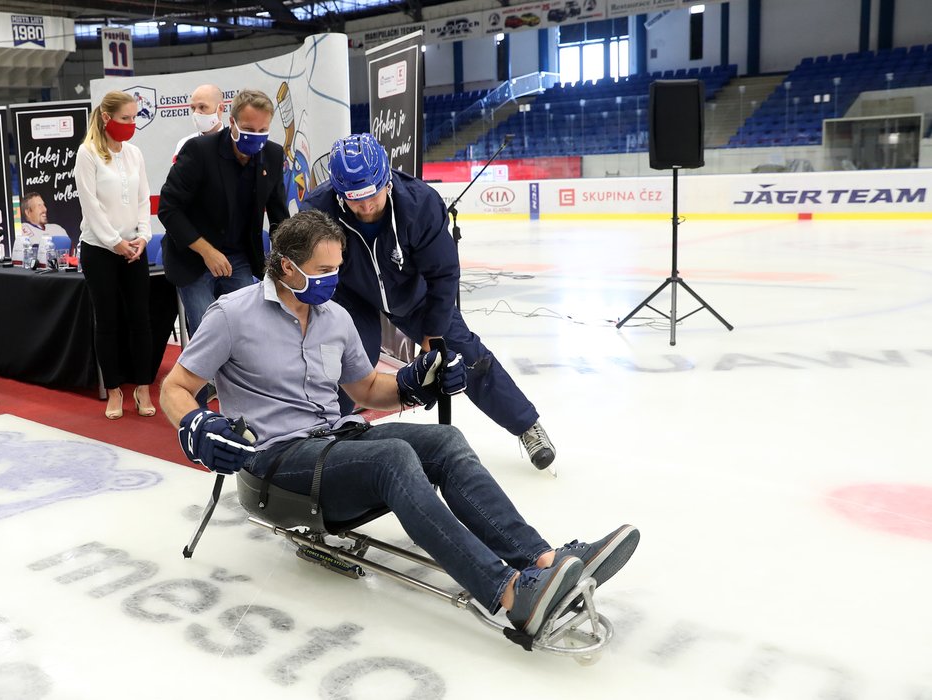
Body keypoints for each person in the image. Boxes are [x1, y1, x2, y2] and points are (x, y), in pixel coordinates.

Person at [159, 210, 639, 639]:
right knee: (392, 459)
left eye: (338, 270)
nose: (334, 279)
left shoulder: (335, 318)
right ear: (288, 266)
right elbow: (175, 388)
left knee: (445, 441)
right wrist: (196, 423)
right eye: (325, 271)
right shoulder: (232, 315)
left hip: (337, 441)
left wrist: (416, 382)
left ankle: (542, 560)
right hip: (276, 464)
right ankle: (511, 594)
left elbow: (365, 390)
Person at [300, 133, 557, 470]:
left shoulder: (420, 205)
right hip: (352, 293)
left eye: (371, 197)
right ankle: (322, 433)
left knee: (464, 353)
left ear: (386, 179)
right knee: (346, 359)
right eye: (354, 200)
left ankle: (526, 426)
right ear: (338, 192)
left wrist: (433, 330)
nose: (365, 208)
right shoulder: (318, 210)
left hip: (415, 292)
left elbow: (444, 273)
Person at [158, 88, 290, 339]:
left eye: (263, 131)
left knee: (246, 328)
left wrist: (286, 261)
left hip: (238, 257)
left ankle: (238, 378)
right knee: (208, 332)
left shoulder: (272, 155)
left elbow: (279, 217)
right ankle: (205, 379)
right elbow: (169, 208)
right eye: (249, 129)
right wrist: (207, 251)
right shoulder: (198, 151)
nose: (257, 137)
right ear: (232, 122)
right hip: (192, 257)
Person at [73, 90, 157, 420]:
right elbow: (90, 205)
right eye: (125, 118)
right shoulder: (88, 153)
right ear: (107, 118)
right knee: (107, 322)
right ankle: (114, 390)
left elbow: (141, 200)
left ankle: (142, 387)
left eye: (134, 117)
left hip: (134, 249)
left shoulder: (134, 154)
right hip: (100, 250)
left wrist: (143, 237)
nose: (131, 123)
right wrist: (114, 242)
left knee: (141, 321)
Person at [172, 83, 226, 163]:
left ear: (220, 109)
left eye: (202, 107)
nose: (196, 113)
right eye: (193, 108)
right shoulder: (184, 144)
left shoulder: (233, 142)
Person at [15, 192, 68, 266]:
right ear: (28, 212)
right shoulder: (23, 230)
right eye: (39, 206)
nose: (45, 209)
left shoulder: (57, 228)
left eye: (44, 205)